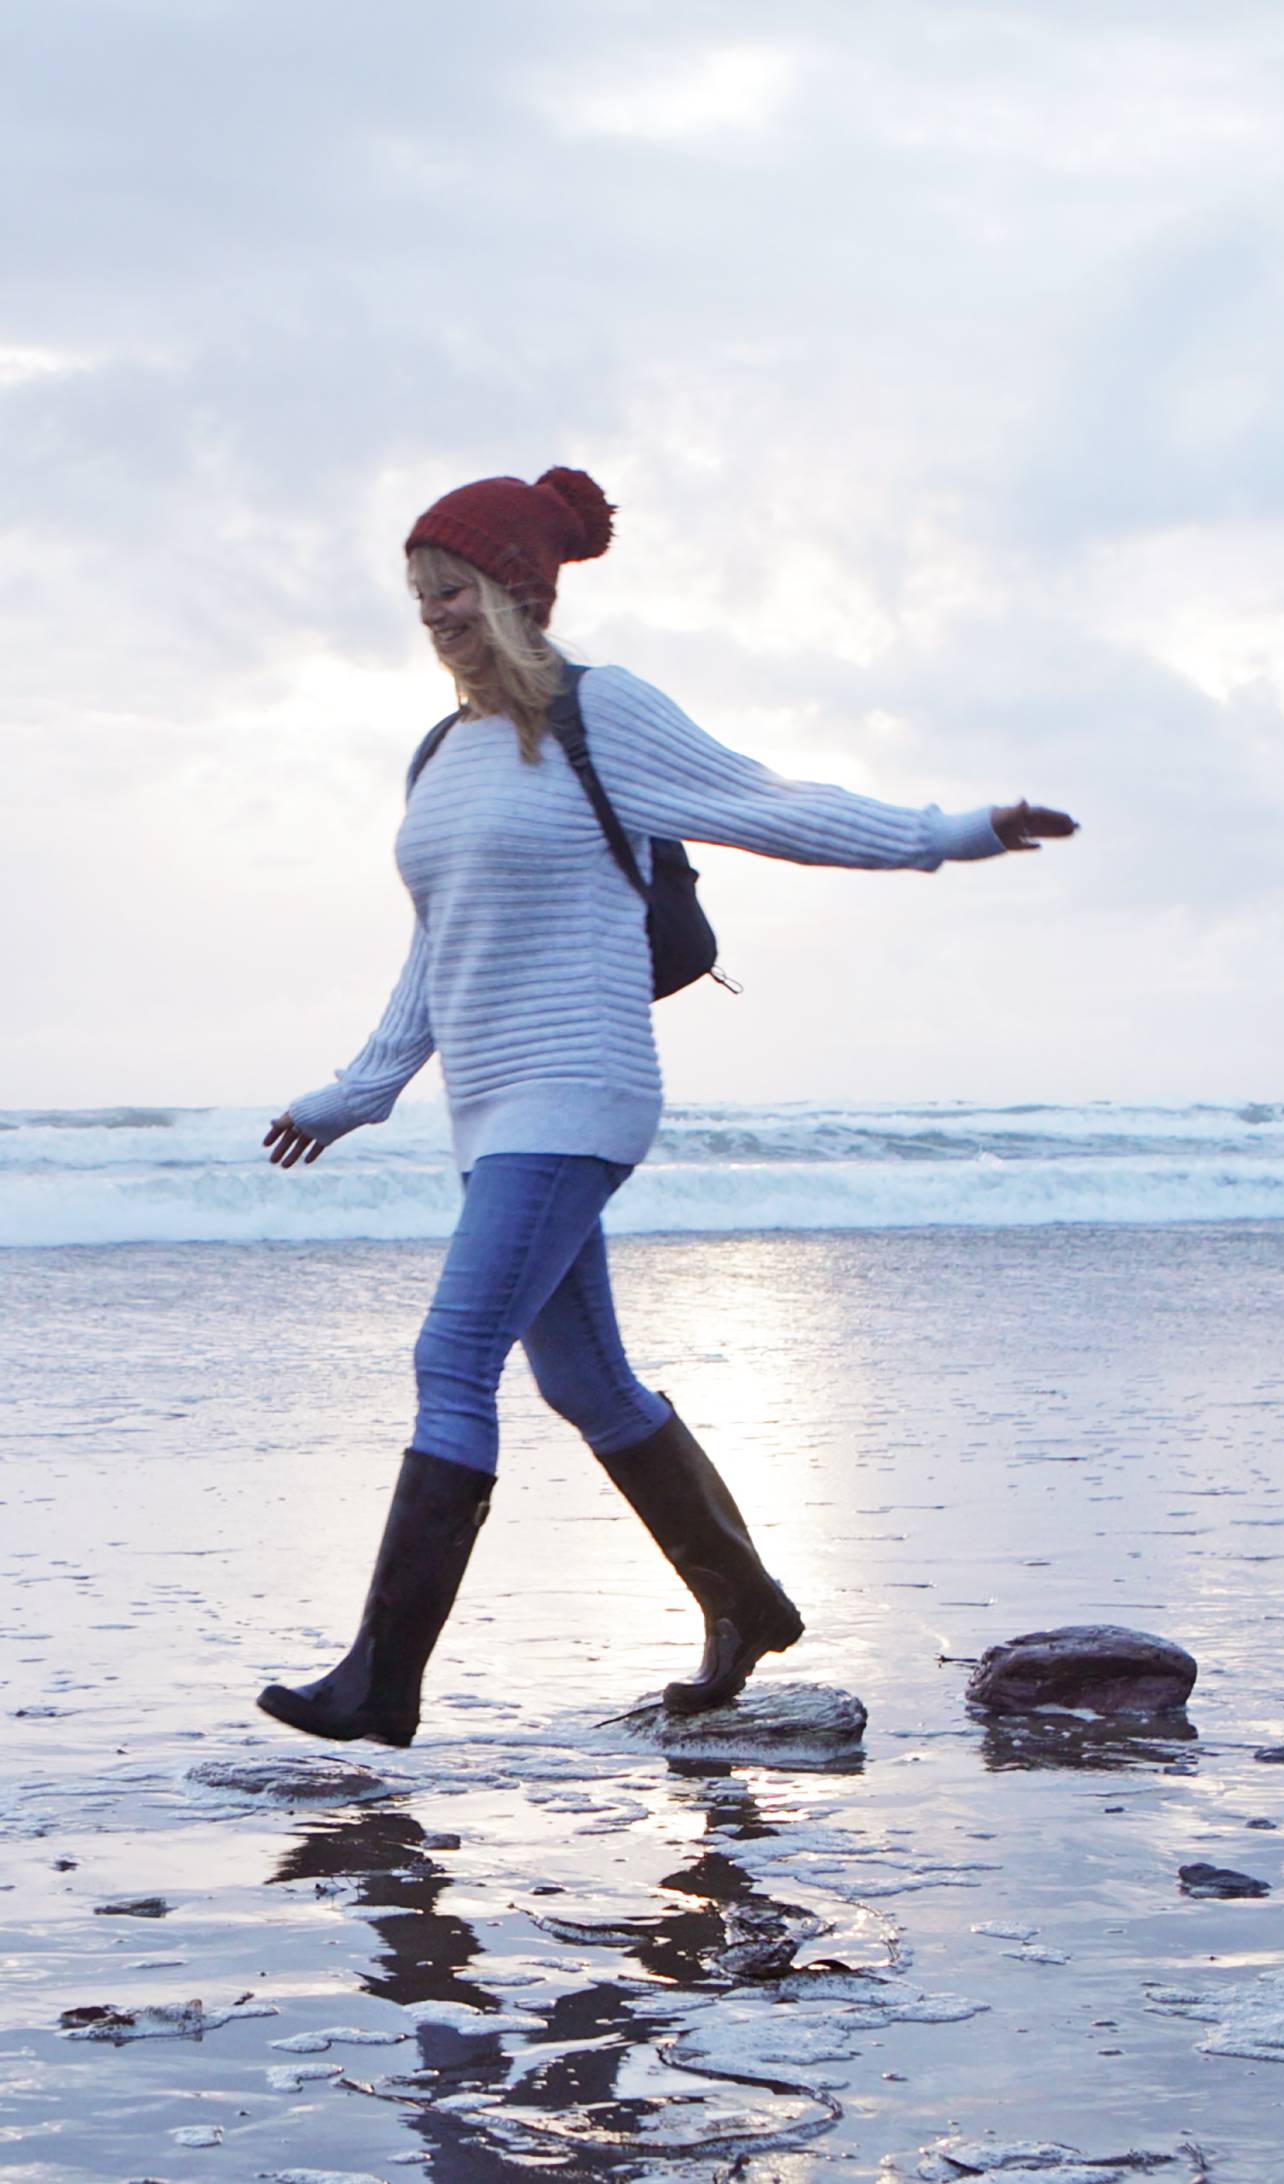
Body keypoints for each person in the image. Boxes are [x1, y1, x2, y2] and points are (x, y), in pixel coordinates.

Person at [258, 466, 1075, 1747]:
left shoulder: (602, 714)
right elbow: (439, 944)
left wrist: (950, 830)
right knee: (588, 1381)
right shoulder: (443, 753)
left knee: (450, 1360)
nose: (433, 613)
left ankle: (382, 1681)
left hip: (579, 1088)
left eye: (454, 587)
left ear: (521, 591)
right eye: (419, 593)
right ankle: (745, 1602)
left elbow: (767, 805)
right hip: (493, 1110)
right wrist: (362, 1087)